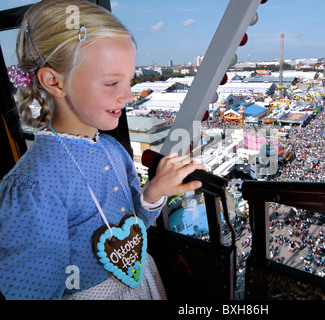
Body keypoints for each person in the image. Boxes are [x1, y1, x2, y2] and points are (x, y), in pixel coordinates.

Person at [0, 0, 205, 300]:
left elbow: (131, 227)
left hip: (139, 281)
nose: (128, 95)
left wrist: (152, 194)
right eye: (111, 83)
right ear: (54, 82)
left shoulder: (112, 149)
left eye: (129, 80)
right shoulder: (35, 187)